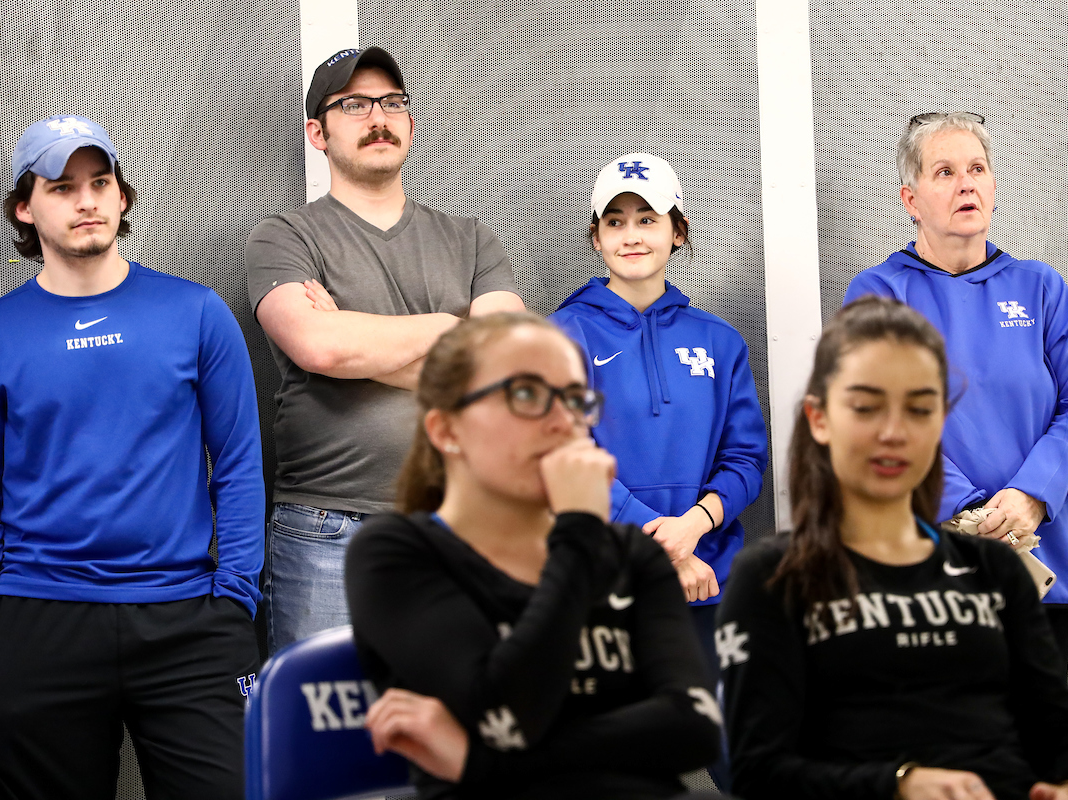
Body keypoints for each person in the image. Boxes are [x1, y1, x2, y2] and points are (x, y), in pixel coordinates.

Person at [0, 115, 264, 799]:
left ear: (122, 196)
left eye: (100, 182)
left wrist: (234, 599)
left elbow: (237, 465)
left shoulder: (197, 314)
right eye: (62, 186)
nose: (86, 200)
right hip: (36, 619)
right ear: (26, 208)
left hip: (189, 619)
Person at [717, 296, 1068, 800]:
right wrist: (899, 784)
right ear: (819, 418)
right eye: (866, 406)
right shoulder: (774, 575)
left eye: (920, 408)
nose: (894, 432)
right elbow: (757, 772)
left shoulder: (996, 571)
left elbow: (1066, 737)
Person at [345, 312, 724, 800]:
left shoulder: (631, 554)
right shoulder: (399, 554)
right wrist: (581, 532)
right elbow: (507, 712)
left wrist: (479, 762)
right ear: (446, 429)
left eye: (574, 400)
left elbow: (692, 731)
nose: (563, 422)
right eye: (525, 395)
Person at [245, 47, 524, 653]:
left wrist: (355, 332)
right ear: (317, 132)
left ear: (411, 120)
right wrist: (460, 326)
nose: (379, 116)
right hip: (327, 532)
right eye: (354, 104)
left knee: (454, 733)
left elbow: (507, 363)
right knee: (327, 738)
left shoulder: (470, 238)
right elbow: (321, 346)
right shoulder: (285, 237)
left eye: (391, 102)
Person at [843, 113, 1068, 669]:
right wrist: (969, 515)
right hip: (928, 580)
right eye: (944, 171)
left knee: (1031, 751)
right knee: (942, 751)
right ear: (910, 198)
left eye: (977, 169)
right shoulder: (880, 293)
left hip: (1039, 578)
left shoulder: (1040, 288)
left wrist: (1031, 496)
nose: (966, 183)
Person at [549, 152, 768, 668]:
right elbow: (563, 457)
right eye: (615, 222)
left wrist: (692, 528)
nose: (631, 236)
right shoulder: (562, 335)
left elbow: (746, 460)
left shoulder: (720, 341)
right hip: (605, 583)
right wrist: (665, 548)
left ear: (678, 232)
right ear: (596, 237)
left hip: (707, 582)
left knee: (709, 741)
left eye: (648, 220)